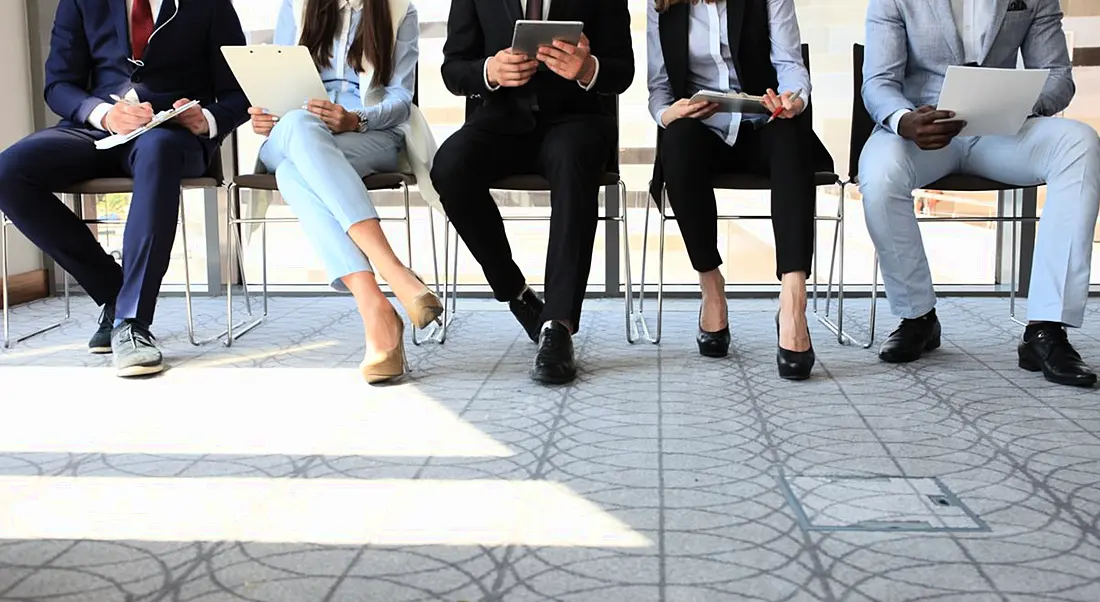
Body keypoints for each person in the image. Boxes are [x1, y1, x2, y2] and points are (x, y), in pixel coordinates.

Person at [0, 0, 249, 377]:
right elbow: (58, 85)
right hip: (96, 128)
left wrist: (206, 119)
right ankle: (114, 292)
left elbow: (238, 93)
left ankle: (132, 322)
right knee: (9, 171)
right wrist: (104, 114)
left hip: (173, 135)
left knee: (158, 150)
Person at [861, 0, 1100, 387]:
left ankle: (1046, 329)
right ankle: (918, 317)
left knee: (1081, 144)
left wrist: (1018, 105)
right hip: (924, 129)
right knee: (879, 172)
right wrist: (903, 120)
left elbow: (1057, 76)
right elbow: (878, 82)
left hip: (1003, 130)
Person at [432, 0, 634, 385]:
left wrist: (587, 69)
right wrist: (489, 71)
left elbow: (623, 70)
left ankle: (557, 326)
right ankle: (517, 294)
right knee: (449, 167)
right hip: (499, 118)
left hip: (577, 120)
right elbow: (453, 69)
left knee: (573, 160)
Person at [249, 0, 443, 384]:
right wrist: (264, 113)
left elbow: (402, 101)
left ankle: (376, 310)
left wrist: (357, 118)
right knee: (300, 128)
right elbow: (275, 88)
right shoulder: (296, 6)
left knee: (293, 172)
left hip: (366, 135)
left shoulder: (399, 10)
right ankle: (395, 273)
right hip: (291, 133)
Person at [647, 0, 834, 381]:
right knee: (678, 140)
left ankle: (793, 302)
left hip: (761, 125)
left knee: (791, 136)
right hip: (703, 133)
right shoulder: (661, 3)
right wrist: (670, 114)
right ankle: (711, 285)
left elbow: (790, 64)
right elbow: (659, 87)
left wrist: (792, 98)